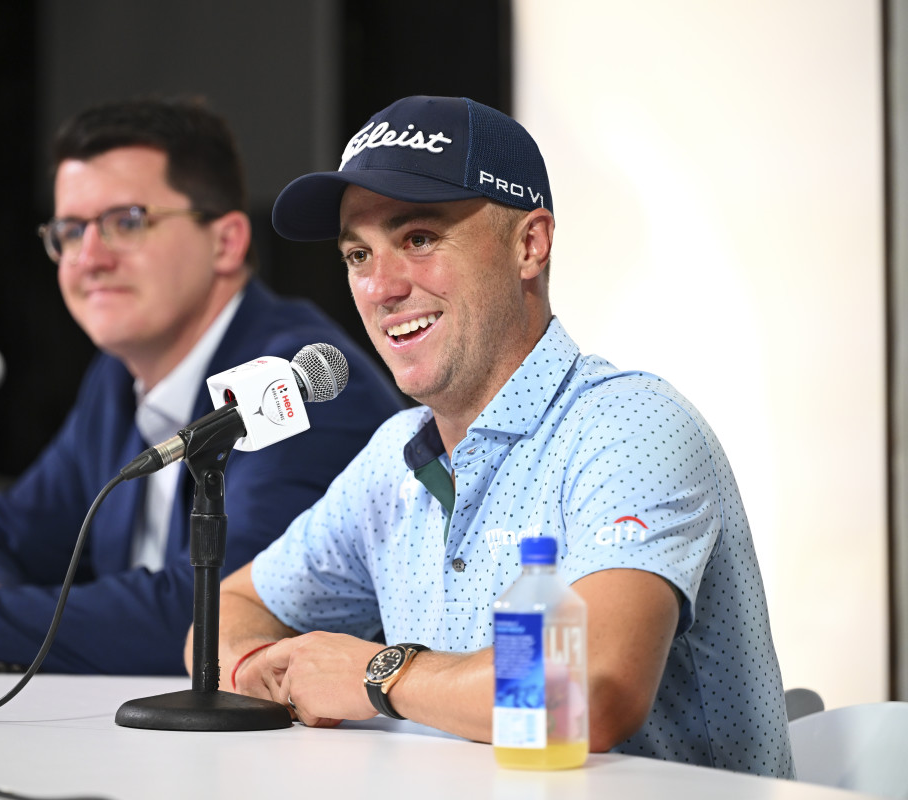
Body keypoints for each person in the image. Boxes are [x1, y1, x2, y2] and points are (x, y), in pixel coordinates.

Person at [207, 95, 794, 777]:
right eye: (358, 253)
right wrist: (261, 672)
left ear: (529, 245)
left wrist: (378, 675)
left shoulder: (630, 424)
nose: (381, 286)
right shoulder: (393, 459)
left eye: (419, 239)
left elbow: (587, 693)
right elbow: (231, 606)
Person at [0, 97, 402, 673]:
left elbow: (223, 613)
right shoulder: (117, 377)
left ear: (227, 242)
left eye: (126, 221)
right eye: (69, 231)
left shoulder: (299, 383)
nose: (89, 257)